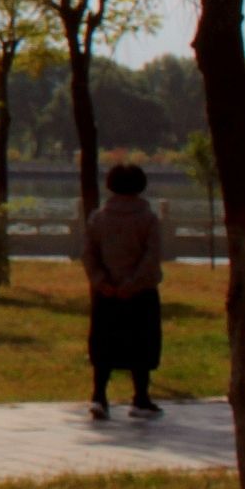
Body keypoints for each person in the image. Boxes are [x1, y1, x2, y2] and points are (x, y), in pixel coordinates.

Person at [84, 162, 164, 421]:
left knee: (104, 345)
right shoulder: (148, 219)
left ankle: (99, 397)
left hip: (106, 293)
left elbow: (89, 254)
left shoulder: (98, 218)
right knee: (141, 344)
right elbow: (152, 256)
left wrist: (101, 281)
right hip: (139, 294)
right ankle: (140, 398)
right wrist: (133, 283)